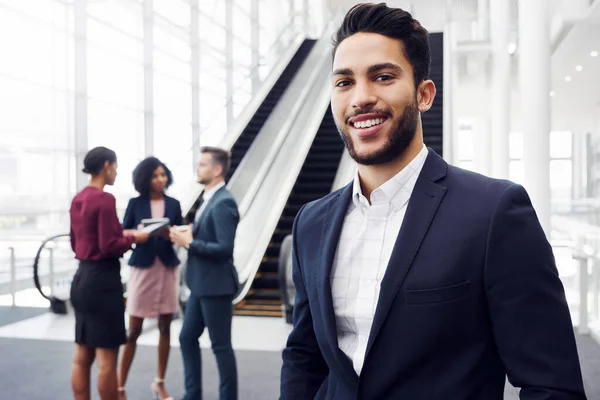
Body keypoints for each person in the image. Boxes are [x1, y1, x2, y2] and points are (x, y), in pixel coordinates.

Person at [280, 3, 586, 399]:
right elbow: (305, 356)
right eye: (344, 82)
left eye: (383, 76)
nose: (361, 97)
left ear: (424, 95)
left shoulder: (494, 213)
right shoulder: (312, 222)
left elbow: (551, 384)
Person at [69, 146, 149, 400]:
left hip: (82, 278)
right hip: (103, 282)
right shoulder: (105, 199)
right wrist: (135, 238)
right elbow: (108, 246)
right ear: (106, 166)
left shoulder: (79, 198)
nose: (116, 172)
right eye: (115, 166)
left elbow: (78, 242)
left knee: (82, 355)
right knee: (106, 358)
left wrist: (120, 236)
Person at [170, 146, 240, 400]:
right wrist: (189, 233)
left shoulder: (224, 202)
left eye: (202, 165)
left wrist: (189, 243)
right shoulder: (209, 198)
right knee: (187, 337)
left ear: (217, 169)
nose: (196, 169)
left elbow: (224, 248)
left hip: (216, 285)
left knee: (221, 347)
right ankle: (192, 395)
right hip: (201, 285)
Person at [117, 157, 183, 400]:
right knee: (133, 330)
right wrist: (139, 233)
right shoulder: (135, 203)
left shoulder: (174, 204)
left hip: (166, 268)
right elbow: (124, 233)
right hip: (142, 269)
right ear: (145, 178)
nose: (160, 179)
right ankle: (120, 385)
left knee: (166, 326)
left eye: (163, 174)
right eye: (155, 175)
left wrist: (170, 233)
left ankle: (159, 382)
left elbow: (182, 233)